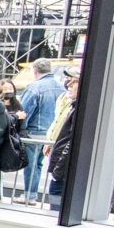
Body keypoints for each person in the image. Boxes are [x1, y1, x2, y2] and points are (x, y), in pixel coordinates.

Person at [18, 59, 64, 204]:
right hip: (51, 134)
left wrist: (20, 130)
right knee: (38, 164)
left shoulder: (34, 87)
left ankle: (30, 195)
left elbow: (24, 111)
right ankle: (31, 194)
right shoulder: (61, 87)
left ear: (35, 70)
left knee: (31, 165)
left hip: (34, 132)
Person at [43, 70, 80, 208]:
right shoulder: (69, 102)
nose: (68, 84)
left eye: (73, 81)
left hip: (64, 169)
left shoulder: (80, 110)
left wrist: (58, 169)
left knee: (56, 203)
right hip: (61, 164)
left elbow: (71, 142)